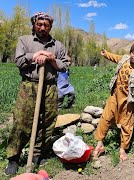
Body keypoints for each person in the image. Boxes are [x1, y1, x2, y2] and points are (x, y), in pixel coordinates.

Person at [5, 12, 70, 175]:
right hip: (29, 86)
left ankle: (37, 155)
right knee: (21, 121)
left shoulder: (58, 45)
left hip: (50, 87)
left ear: (50, 27)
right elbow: (19, 61)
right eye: (39, 24)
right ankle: (13, 158)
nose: (42, 27)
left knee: (47, 122)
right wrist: (35, 55)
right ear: (34, 24)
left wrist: (52, 60)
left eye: (46, 25)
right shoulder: (24, 40)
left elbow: (65, 65)